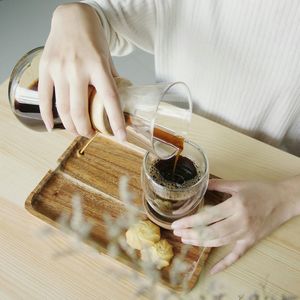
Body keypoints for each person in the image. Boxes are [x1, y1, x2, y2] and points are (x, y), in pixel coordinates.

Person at [38, 1, 300, 274]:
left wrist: (286, 197)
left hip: (266, 177)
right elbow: (103, 12)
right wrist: (73, 15)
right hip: (162, 126)